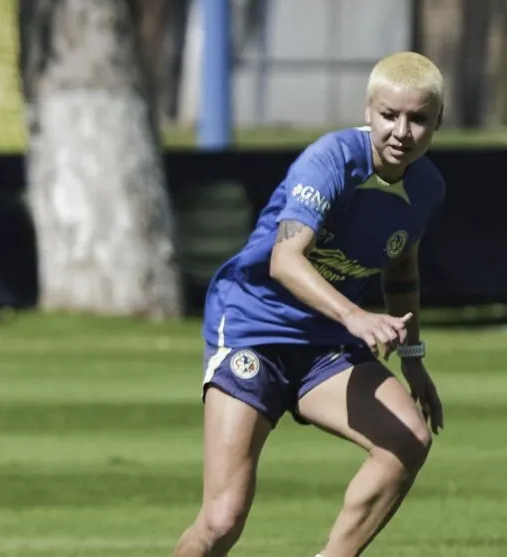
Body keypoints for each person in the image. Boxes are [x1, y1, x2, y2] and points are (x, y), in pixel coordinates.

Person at [172, 51, 447, 557]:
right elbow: (284, 260)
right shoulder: (330, 161)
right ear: (368, 111)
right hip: (255, 328)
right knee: (222, 519)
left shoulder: (427, 186)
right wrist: (356, 316)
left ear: (438, 122)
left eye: (418, 119)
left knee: (408, 439)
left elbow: (402, 267)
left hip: (327, 345)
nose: (402, 132)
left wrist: (413, 359)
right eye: (390, 115)